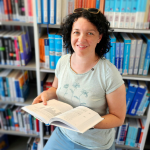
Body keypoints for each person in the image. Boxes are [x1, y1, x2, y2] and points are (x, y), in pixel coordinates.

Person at [32, 8, 126, 150]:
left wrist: (85, 122)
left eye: (90, 33)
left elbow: (118, 118)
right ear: (70, 34)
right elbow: (55, 89)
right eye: (76, 32)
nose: (81, 39)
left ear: (99, 37)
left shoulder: (109, 74)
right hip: (63, 134)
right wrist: (46, 94)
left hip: (94, 144)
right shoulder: (63, 62)